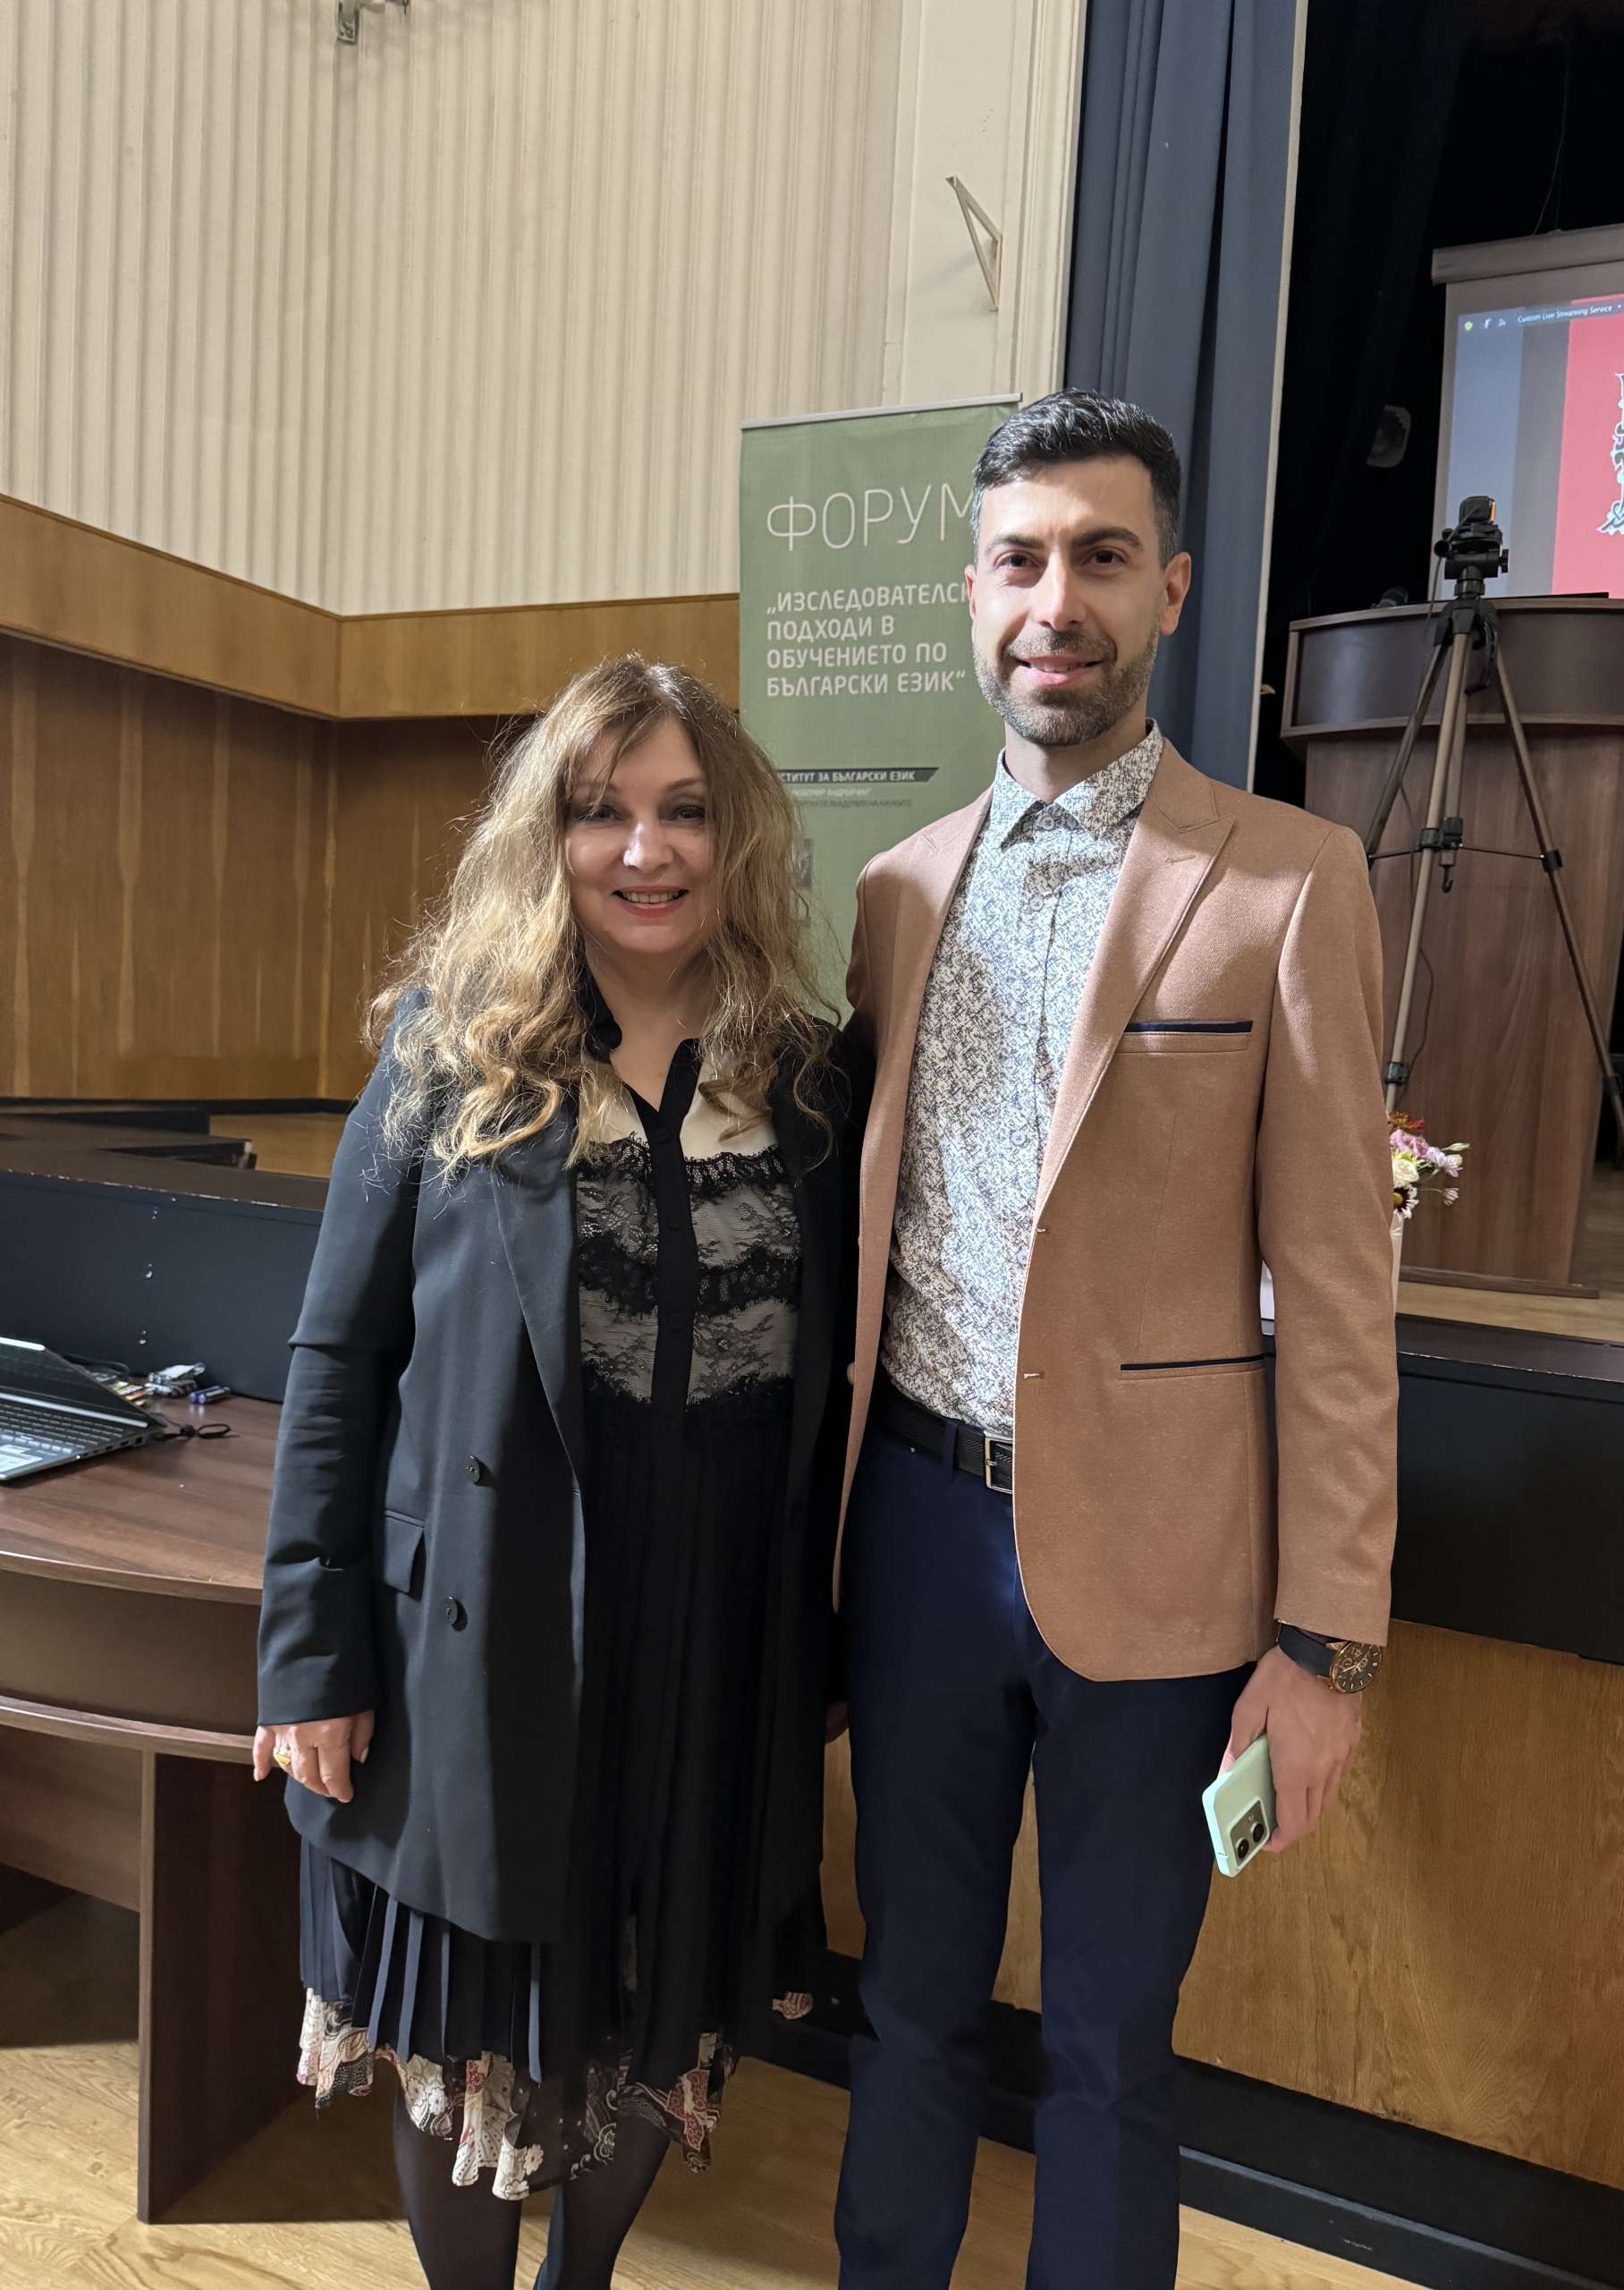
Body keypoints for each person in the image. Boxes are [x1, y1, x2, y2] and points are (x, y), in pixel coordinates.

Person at [833, 393, 1398, 2289]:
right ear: (971, 591)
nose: (1053, 600)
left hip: (1166, 1569)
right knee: (905, 2005)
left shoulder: (1290, 882)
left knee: (1108, 2045)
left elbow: (1340, 1301)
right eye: (1018, 559)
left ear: (1170, 586)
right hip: (916, 1532)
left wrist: (1325, 1642)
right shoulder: (896, 893)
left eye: (1098, 555)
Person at [253, 657, 863, 2290]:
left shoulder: (808, 1082)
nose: (645, 851)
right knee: (473, 2013)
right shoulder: (453, 1053)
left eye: (686, 812)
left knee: (663, 1994)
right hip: (487, 1621)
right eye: (603, 812)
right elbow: (337, 1358)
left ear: (739, 841)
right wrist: (310, 1654)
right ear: (550, 837)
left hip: (717, 1626)